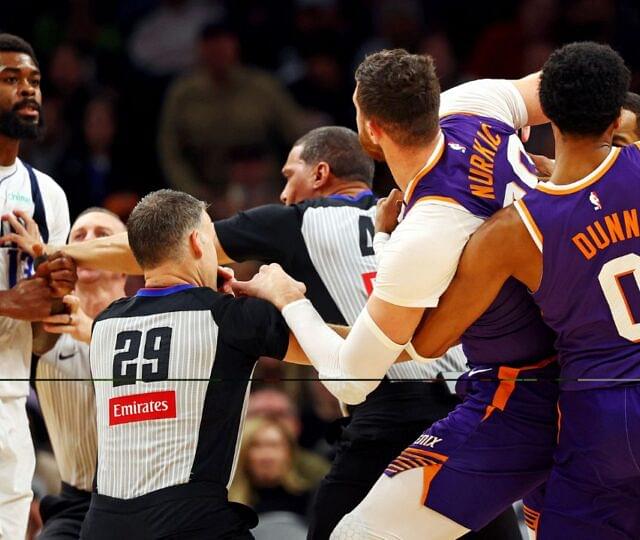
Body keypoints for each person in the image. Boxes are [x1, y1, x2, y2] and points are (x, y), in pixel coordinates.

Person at [47, 126, 517, 538]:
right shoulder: (419, 213)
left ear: (320, 175)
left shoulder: (108, 323)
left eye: (289, 176)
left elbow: (151, 249)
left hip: (108, 520)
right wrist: (430, 339)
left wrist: (56, 250)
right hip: (465, 402)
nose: (285, 194)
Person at [231, 49, 560, 539]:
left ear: (371, 130)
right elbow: (561, 86)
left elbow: (351, 380)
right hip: (583, 365)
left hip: (517, 398)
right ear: (434, 100)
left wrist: (287, 296)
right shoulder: (476, 103)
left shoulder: (426, 228)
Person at [406, 41, 640, 540]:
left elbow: (427, 344)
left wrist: (391, 238)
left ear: (546, 115)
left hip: (600, 413)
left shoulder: (512, 231)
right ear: (617, 118)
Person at [80, 189, 310, 540]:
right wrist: (281, 298)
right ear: (197, 243)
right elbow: (330, 348)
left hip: (102, 524)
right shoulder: (231, 319)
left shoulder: (104, 324)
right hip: (190, 523)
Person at [0, 33, 75, 539]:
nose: (28, 90)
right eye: (10, 79)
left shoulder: (47, 196)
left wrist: (53, 297)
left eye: (34, 81)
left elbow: (45, 334)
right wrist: (6, 302)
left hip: (8, 396)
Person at [21, 208, 126, 539]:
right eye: (78, 237)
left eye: (102, 236)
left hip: (143, 500)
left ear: (127, 261)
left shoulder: (150, 321)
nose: (88, 243)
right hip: (75, 502)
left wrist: (95, 333)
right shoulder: (42, 328)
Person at [158, 19, 305, 204]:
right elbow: (170, 151)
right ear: (201, 49)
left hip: (266, 188)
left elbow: (297, 138)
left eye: (224, 46)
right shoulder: (183, 94)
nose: (218, 53)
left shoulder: (263, 87)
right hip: (206, 191)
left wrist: (289, 181)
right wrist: (194, 193)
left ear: (235, 47)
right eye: (212, 47)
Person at [229, 416, 315, 539]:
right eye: (257, 446)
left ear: (289, 453)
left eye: (274, 445)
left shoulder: (310, 500)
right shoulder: (229, 506)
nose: (267, 456)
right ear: (243, 454)